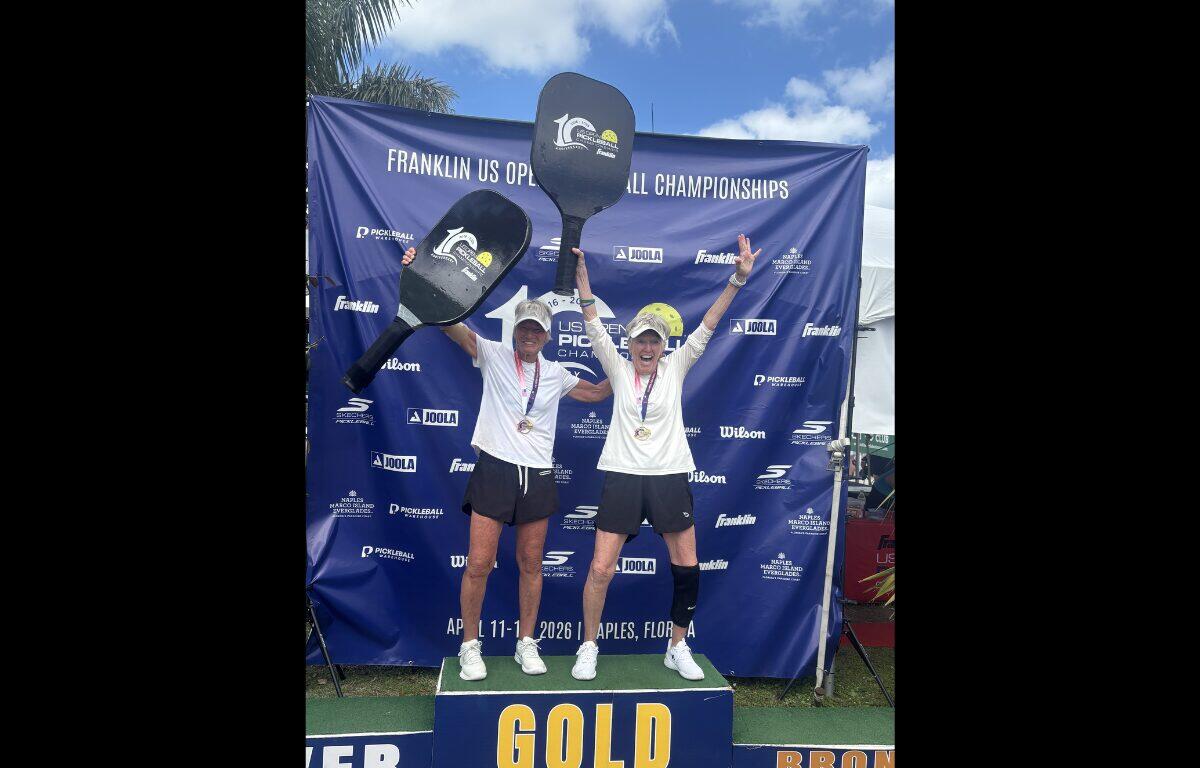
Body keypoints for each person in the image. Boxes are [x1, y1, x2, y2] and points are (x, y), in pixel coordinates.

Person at [399, 246, 614, 681]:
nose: (530, 335)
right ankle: (469, 646)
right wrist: (419, 274)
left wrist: (637, 367)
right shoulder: (493, 354)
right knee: (478, 563)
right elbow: (451, 328)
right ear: (515, 330)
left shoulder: (555, 373)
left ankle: (525, 642)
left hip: (536, 476)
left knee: (531, 565)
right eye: (524, 328)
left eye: (537, 330)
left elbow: (595, 394)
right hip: (495, 469)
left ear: (547, 336)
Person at [567, 233, 760, 681]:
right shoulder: (616, 366)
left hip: (670, 475)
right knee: (600, 567)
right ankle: (589, 645)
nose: (647, 348)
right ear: (631, 342)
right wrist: (582, 282)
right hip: (622, 475)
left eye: (654, 341)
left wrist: (737, 279)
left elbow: (709, 324)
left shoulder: (677, 365)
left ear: (664, 344)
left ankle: (677, 645)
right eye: (640, 340)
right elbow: (593, 323)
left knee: (687, 567)